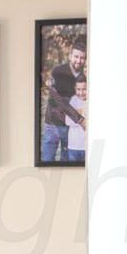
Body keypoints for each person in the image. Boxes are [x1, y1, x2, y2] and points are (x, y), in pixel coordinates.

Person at [41, 34, 87, 163]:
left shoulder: (83, 78)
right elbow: (60, 100)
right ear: (70, 56)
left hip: (68, 126)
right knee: (46, 160)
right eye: (76, 56)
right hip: (53, 123)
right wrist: (80, 120)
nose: (78, 60)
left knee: (66, 162)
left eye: (82, 58)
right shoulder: (59, 71)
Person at [64, 77, 89, 162]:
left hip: (88, 146)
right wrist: (84, 112)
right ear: (75, 89)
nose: (81, 93)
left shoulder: (94, 100)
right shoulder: (73, 100)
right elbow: (68, 121)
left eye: (84, 89)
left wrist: (77, 113)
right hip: (74, 146)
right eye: (78, 89)